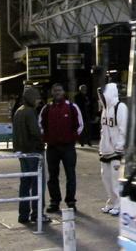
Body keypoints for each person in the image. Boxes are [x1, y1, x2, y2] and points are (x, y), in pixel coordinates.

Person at [39, 84, 83, 212]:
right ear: (52, 92)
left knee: (71, 175)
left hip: (68, 147)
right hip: (52, 148)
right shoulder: (46, 109)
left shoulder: (71, 107)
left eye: (59, 90)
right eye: (55, 90)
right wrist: (46, 137)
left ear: (63, 92)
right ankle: (54, 202)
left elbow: (80, 124)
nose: (57, 92)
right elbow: (40, 124)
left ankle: (71, 202)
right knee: (52, 176)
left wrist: (72, 138)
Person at [13, 86, 48, 225]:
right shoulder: (30, 112)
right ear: (32, 98)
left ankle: (23, 214)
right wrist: (42, 143)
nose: (39, 101)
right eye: (37, 98)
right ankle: (38, 214)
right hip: (34, 152)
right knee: (38, 184)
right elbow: (35, 132)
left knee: (25, 184)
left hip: (22, 152)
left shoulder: (18, 111)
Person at [98, 81, 127, 215]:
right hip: (105, 150)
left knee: (116, 180)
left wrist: (119, 147)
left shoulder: (120, 107)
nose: (101, 98)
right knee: (106, 179)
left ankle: (119, 205)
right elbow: (103, 130)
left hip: (116, 151)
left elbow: (123, 129)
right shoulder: (105, 110)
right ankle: (112, 202)